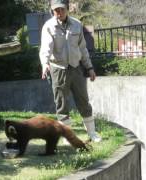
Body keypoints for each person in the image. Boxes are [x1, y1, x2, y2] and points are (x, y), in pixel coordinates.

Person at [39, 0, 101, 142]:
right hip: (58, 69)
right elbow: (45, 49)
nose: (59, 12)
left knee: (84, 101)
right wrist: (44, 64)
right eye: (56, 10)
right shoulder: (48, 27)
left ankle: (92, 133)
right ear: (52, 11)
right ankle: (67, 137)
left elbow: (83, 49)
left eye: (61, 9)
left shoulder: (77, 24)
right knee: (61, 104)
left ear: (67, 9)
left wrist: (89, 68)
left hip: (76, 68)